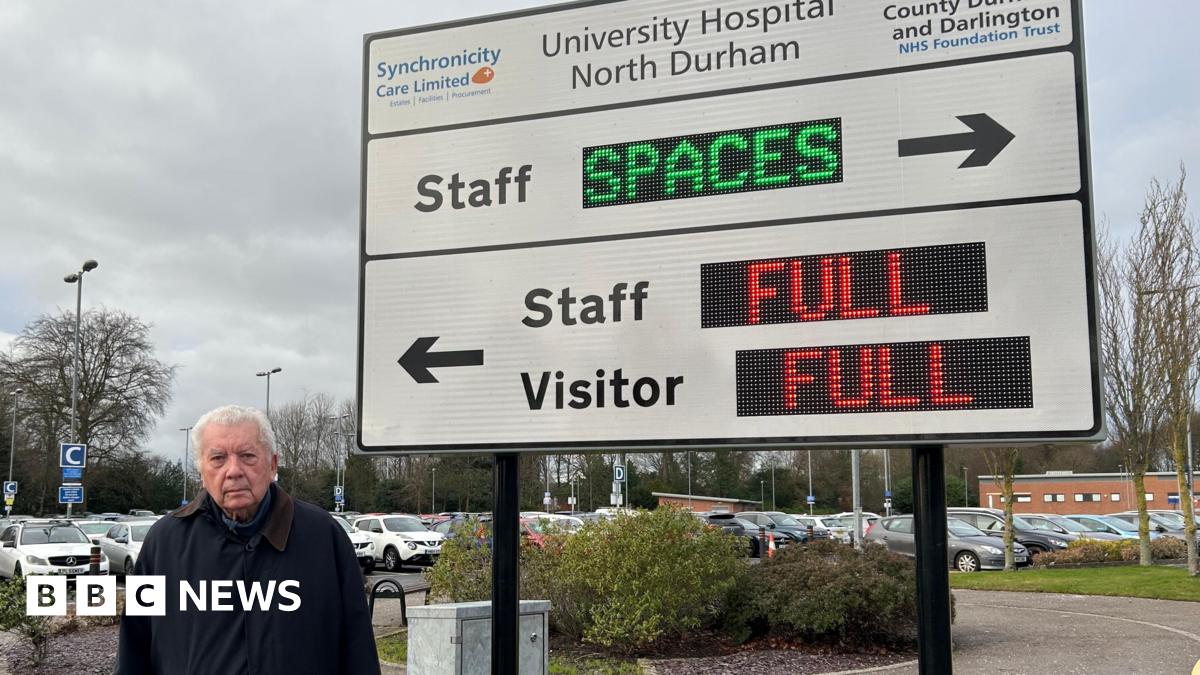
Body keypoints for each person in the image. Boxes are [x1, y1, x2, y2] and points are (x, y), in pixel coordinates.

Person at [115, 405, 381, 674]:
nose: (233, 471)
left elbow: (357, 646)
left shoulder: (323, 537)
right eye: (218, 458)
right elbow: (134, 648)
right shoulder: (165, 543)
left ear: (273, 464)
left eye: (248, 456)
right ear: (201, 472)